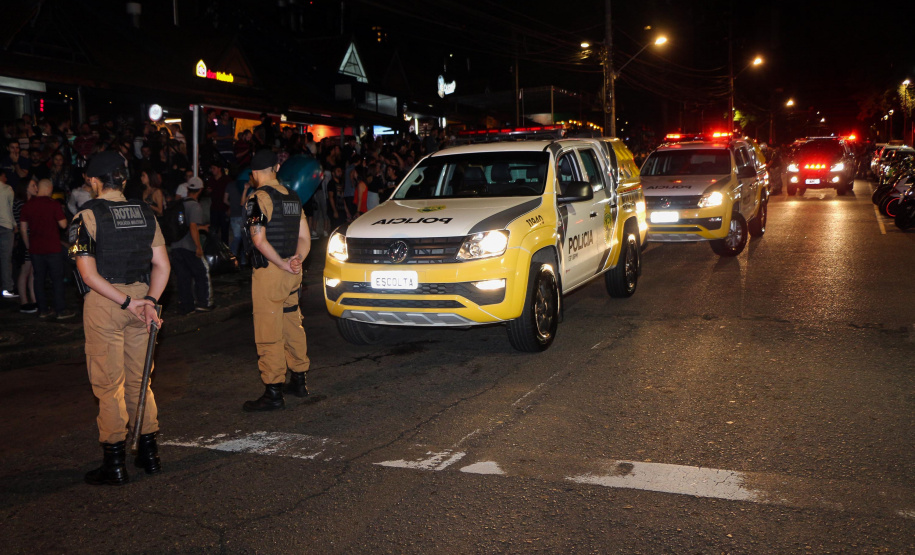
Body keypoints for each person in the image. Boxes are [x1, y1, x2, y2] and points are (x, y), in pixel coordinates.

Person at [70, 150, 170, 486]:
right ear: (123, 180)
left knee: (108, 385)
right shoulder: (146, 212)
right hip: (142, 301)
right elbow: (162, 265)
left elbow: (88, 274)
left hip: (108, 304)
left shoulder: (86, 215)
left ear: (95, 182)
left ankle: (114, 464)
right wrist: (149, 302)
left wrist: (127, 302)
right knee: (141, 380)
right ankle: (149, 453)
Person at [242, 149, 311, 412]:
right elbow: (305, 237)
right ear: (277, 168)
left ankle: (273, 392)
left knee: (268, 330)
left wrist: (281, 263)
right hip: (293, 273)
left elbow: (258, 239)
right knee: (292, 322)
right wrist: (297, 259)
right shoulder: (293, 197)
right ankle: (300, 380)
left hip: (271, 272)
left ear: (254, 174)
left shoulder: (256, 199)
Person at [19, 178, 74, 319]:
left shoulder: (27, 206)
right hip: (53, 248)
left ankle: (43, 310)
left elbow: (23, 229)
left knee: (39, 279)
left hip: (36, 249)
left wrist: (28, 246)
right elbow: (63, 225)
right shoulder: (53, 204)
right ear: (49, 189)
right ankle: (60, 310)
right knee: (57, 279)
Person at [168, 179, 212, 315]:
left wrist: (201, 227)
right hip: (188, 246)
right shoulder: (195, 206)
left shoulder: (180, 204)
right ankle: (203, 303)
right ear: (200, 190)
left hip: (175, 245)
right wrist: (198, 247)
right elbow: (192, 226)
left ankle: (187, 306)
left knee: (183, 277)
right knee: (201, 274)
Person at [0, 171, 17, 299]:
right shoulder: (7, 189)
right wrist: (14, 224)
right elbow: (10, 209)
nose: (6, 178)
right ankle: (7, 287)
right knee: (6, 258)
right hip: (6, 226)